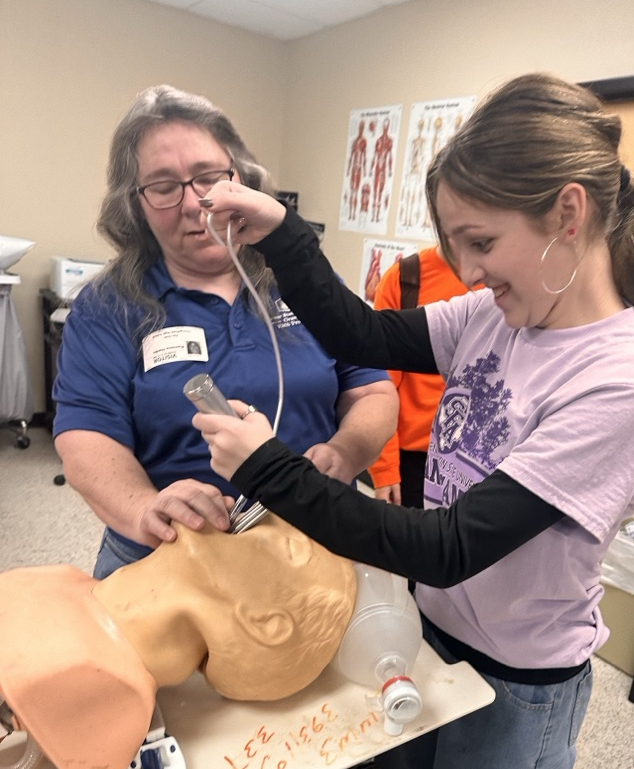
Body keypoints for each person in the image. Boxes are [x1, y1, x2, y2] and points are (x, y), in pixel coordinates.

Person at [191, 72, 634, 769]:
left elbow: (450, 545)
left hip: (516, 691)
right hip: (435, 649)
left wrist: (269, 468)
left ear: (568, 213)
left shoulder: (621, 379)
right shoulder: (498, 313)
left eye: (482, 242)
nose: (468, 270)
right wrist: (283, 233)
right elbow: (363, 333)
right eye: (456, 244)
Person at [52, 84, 398, 578]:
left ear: (240, 177)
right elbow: (86, 437)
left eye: (208, 177)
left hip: (313, 541)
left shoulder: (304, 281)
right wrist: (144, 509)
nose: (195, 204)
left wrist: (346, 453)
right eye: (164, 186)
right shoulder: (108, 306)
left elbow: (372, 391)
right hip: (172, 557)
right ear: (135, 205)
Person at [0, 513, 356, 769]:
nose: (246, 516)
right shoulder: (63, 582)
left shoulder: (99, 683)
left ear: (264, 622)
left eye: (289, 546)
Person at [367, 245, 481, 507]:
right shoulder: (406, 277)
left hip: (481, 458)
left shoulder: (505, 280)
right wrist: (385, 470)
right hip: (414, 462)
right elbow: (380, 384)